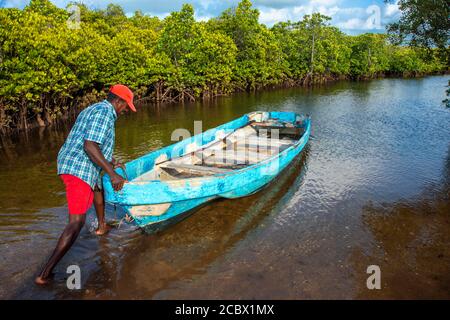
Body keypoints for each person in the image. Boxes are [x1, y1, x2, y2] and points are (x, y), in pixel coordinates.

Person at [35, 84, 137, 285]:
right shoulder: (105, 113)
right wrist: (113, 174)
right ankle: (44, 275)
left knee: (98, 187)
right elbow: (89, 145)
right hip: (78, 167)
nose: (126, 110)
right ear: (119, 101)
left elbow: (94, 143)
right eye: (126, 106)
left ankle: (101, 227)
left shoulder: (95, 108)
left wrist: (110, 161)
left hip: (82, 165)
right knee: (77, 222)